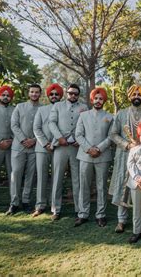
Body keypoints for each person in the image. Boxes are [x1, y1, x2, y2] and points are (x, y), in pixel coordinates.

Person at [109, 85, 141, 233]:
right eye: (134, 94)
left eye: (139, 94)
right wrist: (127, 145)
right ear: (129, 97)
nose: (136, 96)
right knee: (123, 187)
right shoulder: (121, 114)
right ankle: (121, 221)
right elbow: (113, 134)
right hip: (125, 155)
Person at [48, 84, 88, 221]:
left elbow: (86, 125)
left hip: (76, 147)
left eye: (76, 94)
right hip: (60, 146)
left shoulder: (84, 107)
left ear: (78, 95)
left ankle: (79, 209)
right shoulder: (57, 106)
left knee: (77, 179)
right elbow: (51, 123)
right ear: (66, 93)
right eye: (71, 93)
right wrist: (59, 137)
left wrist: (81, 140)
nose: (73, 96)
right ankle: (56, 209)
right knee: (57, 178)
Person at [74, 87, 113, 227]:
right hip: (85, 156)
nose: (98, 101)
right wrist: (89, 149)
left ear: (104, 100)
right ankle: (82, 214)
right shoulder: (83, 116)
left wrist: (99, 148)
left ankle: (101, 215)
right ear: (92, 100)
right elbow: (78, 135)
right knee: (84, 185)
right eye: (95, 98)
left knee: (101, 186)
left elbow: (111, 136)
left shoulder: (110, 117)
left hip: (103, 156)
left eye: (100, 98)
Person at [6, 84, 42, 215]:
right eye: (32, 92)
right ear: (29, 93)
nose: (34, 94)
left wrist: (34, 140)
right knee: (16, 174)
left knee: (31, 176)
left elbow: (44, 128)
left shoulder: (43, 109)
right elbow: (14, 125)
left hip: (34, 147)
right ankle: (14, 203)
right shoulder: (19, 107)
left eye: (37, 92)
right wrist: (23, 140)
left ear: (40, 94)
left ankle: (26, 201)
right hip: (18, 147)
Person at [32, 83, 63, 217]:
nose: (54, 96)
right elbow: (36, 128)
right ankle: (40, 206)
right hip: (42, 148)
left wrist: (54, 144)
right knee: (41, 177)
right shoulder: (42, 110)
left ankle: (55, 207)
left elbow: (65, 129)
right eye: (52, 94)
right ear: (48, 95)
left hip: (59, 148)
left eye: (56, 94)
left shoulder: (64, 109)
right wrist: (45, 144)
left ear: (60, 95)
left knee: (57, 178)